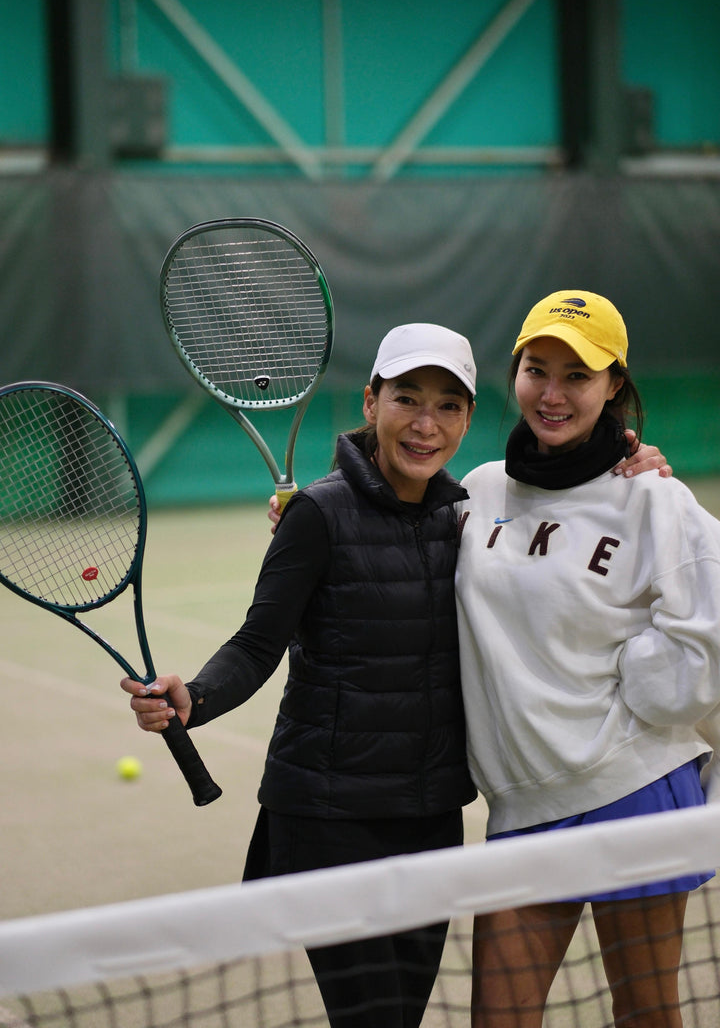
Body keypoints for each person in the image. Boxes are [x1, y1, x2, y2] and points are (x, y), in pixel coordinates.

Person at [123, 322, 668, 1028]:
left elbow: (558, 536)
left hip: (429, 816)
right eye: (406, 398)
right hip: (330, 818)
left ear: (468, 418)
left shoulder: (470, 518)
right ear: (371, 401)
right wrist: (195, 696)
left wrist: (628, 457)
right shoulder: (318, 514)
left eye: (447, 406)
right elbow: (257, 645)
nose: (425, 424)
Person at [455, 290, 720, 1028]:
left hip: (633, 788)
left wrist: (644, 678)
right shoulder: (477, 491)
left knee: (646, 1014)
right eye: (537, 370)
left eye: (578, 376)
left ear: (614, 387)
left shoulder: (653, 499)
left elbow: (706, 639)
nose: (553, 393)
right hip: (522, 804)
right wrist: (312, 515)